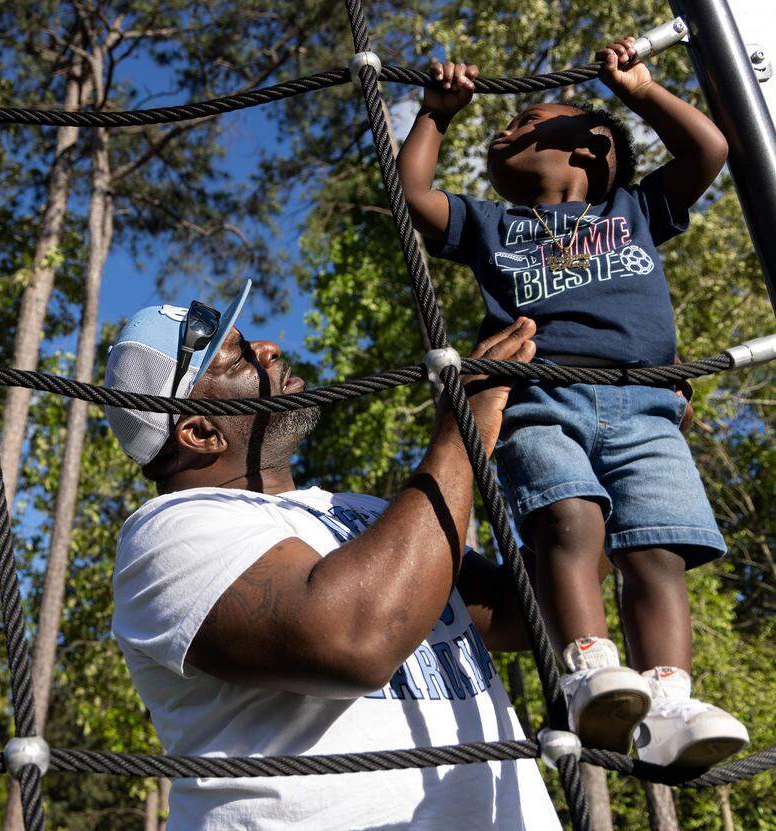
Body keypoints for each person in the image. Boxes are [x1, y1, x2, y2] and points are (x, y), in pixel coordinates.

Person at [395, 36, 749, 765]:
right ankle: (589, 669)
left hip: (647, 407)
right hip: (543, 396)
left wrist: (641, 93)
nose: (510, 127)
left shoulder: (638, 208)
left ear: (590, 149)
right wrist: (436, 116)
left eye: (531, 120)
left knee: (657, 553)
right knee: (568, 521)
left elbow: (708, 151)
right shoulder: (497, 226)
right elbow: (414, 198)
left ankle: (670, 699)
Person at [104, 282, 560, 830]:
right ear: (200, 432)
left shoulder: (364, 512)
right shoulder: (167, 534)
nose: (269, 348)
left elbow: (522, 613)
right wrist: (463, 430)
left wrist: (595, 449)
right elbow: (357, 641)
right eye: (235, 357)